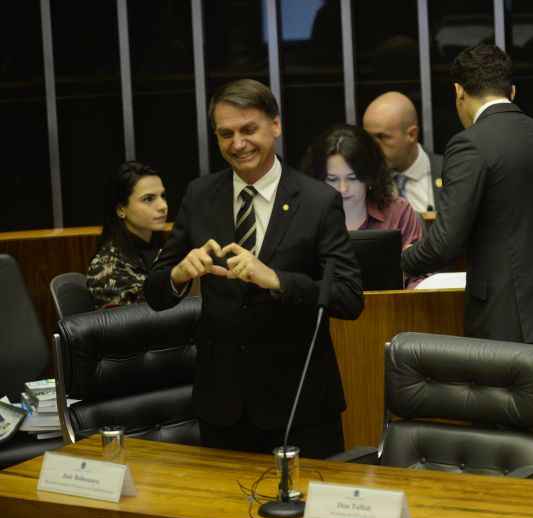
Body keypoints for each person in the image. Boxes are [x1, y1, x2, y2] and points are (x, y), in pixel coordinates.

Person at [144, 79, 363, 459]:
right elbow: (155, 293)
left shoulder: (317, 200)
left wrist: (276, 279)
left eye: (249, 130)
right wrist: (179, 274)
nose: (237, 143)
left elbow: (347, 297)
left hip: (299, 407)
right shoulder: (199, 196)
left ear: (275, 126)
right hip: (222, 408)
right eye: (225, 134)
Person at [401, 44, 533, 371]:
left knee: (504, 422)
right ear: (512, 91)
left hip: (500, 321)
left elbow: (446, 240)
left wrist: (403, 259)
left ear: (459, 92)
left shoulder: (469, 143)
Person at [304, 124, 425, 288]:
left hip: (392, 309)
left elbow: (419, 280)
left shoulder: (399, 212)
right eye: (332, 179)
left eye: (352, 178)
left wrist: (410, 267)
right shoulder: (305, 215)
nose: (342, 189)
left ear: (369, 177)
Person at [87, 161, 168, 308]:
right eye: (148, 199)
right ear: (121, 210)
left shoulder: (165, 250)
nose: (163, 206)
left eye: (163, 196)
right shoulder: (107, 267)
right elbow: (142, 324)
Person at [363, 91, 443, 212]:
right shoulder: (361, 180)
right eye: (369, 138)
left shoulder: (450, 172)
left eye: (381, 137)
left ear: (412, 134)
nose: (373, 147)